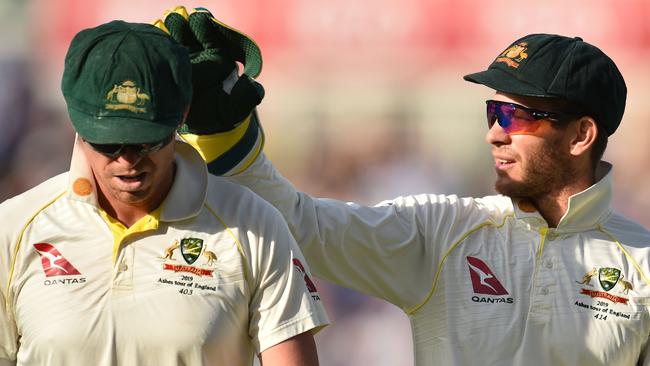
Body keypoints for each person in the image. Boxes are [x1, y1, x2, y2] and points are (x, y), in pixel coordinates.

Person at [164, 6, 650, 365]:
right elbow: (298, 223)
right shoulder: (445, 230)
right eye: (492, 112)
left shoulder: (643, 265)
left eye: (516, 115)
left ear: (582, 135)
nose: (494, 131)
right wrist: (224, 135)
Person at [0, 19, 329, 366]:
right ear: (77, 121)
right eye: (108, 142)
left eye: (146, 139)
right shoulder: (13, 227)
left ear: (181, 115)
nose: (127, 159)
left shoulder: (254, 227)